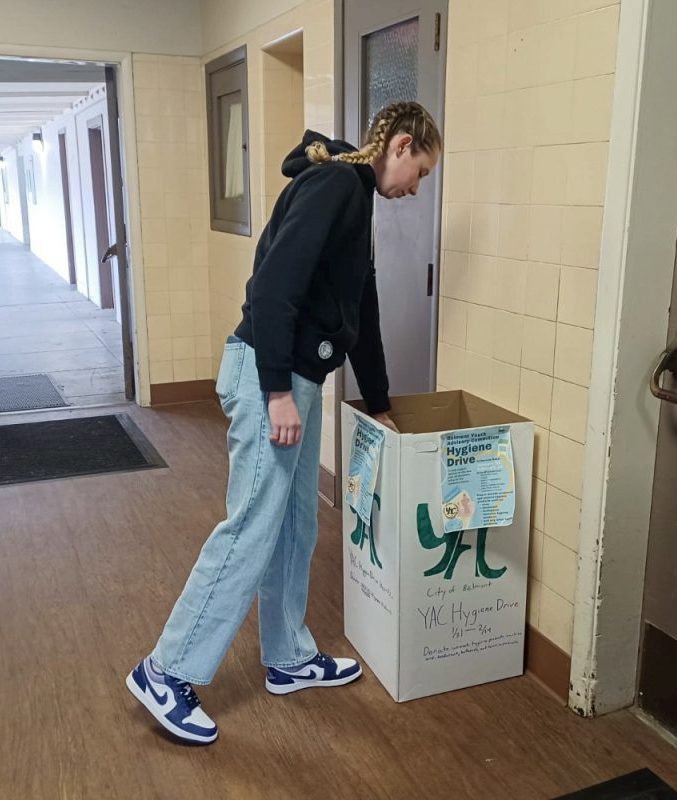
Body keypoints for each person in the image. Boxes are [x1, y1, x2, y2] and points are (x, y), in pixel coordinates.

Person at [127, 101, 442, 745]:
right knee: (251, 525)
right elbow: (272, 288)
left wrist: (377, 400)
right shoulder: (333, 186)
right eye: (422, 172)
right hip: (271, 376)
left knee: (298, 522)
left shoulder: (356, 198)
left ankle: (289, 655)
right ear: (401, 144)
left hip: (301, 379)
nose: (417, 188)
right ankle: (165, 670)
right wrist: (276, 391)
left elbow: (362, 308)